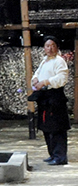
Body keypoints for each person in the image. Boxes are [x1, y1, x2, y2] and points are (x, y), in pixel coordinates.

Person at [31, 36, 70, 165]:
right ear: (44, 48)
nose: (50, 48)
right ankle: (53, 154)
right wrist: (35, 79)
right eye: (47, 46)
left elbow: (62, 78)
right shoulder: (45, 61)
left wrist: (45, 82)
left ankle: (60, 157)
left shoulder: (59, 61)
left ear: (57, 47)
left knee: (57, 128)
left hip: (55, 97)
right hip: (45, 98)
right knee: (47, 127)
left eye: (53, 45)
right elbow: (37, 74)